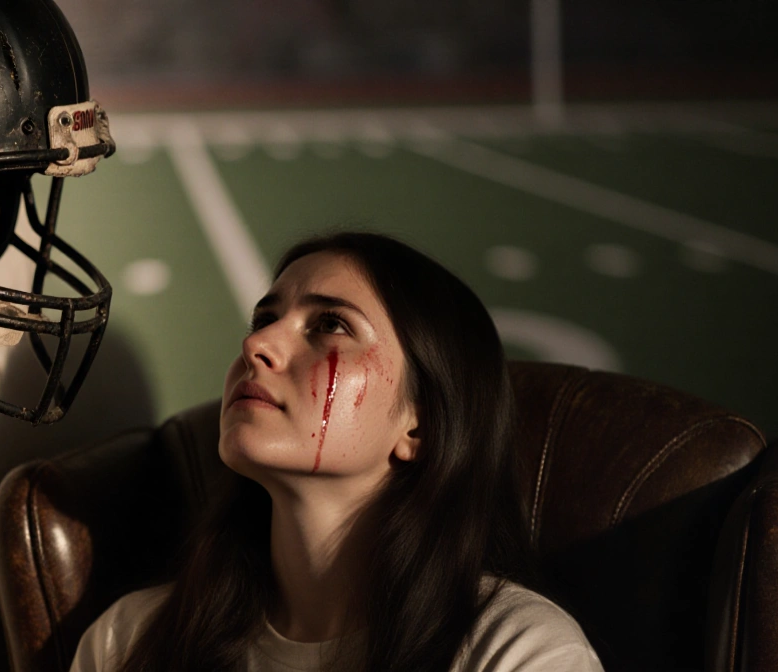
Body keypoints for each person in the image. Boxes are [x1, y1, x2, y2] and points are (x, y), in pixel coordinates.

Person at [70, 232, 603, 671]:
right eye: (263, 320)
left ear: (422, 428)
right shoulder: (128, 641)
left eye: (330, 324)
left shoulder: (520, 652)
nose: (256, 345)